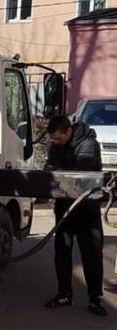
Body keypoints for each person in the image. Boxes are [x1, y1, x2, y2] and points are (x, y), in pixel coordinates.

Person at [44, 115, 107, 317]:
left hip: (86, 208)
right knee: (62, 252)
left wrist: (58, 172)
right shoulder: (56, 146)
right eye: (53, 139)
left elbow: (82, 173)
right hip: (64, 207)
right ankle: (64, 294)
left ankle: (95, 300)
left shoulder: (88, 144)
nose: (55, 143)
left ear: (68, 132)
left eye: (58, 139)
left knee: (92, 255)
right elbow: (49, 168)